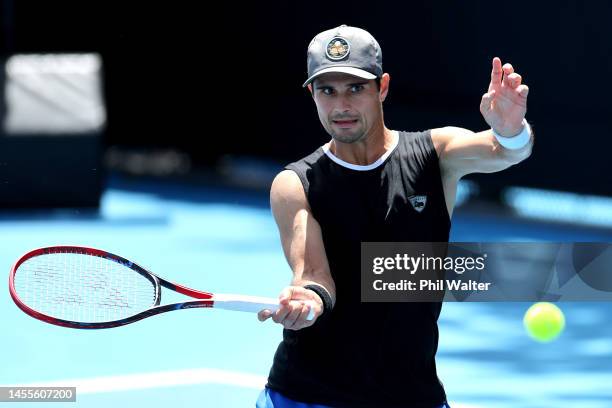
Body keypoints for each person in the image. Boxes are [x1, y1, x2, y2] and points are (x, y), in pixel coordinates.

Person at [256, 25, 533, 408]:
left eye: (355, 88)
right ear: (311, 94)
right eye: (327, 90)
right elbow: (314, 275)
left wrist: (510, 130)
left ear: (382, 87)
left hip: (411, 395)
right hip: (308, 396)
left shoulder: (435, 154)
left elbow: (506, 152)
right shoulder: (295, 183)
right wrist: (307, 301)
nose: (341, 106)